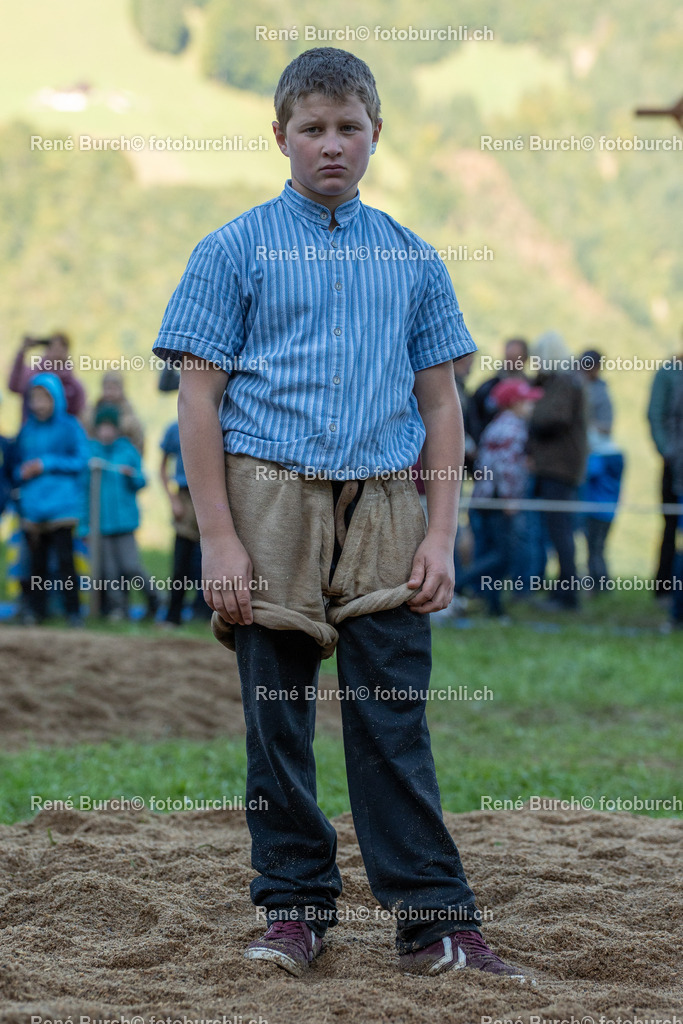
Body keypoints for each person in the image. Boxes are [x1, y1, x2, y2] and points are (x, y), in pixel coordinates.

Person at [152, 47, 528, 982]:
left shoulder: (410, 256)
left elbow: (439, 404)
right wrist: (221, 539)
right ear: (277, 135)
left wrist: (441, 534)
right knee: (276, 722)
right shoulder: (229, 250)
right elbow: (197, 400)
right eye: (311, 128)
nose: (331, 145)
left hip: (385, 510)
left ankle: (434, 921)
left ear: (375, 136)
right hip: (265, 504)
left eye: (348, 128)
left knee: (391, 718)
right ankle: (292, 909)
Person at [455, 377, 542, 616]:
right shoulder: (514, 429)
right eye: (526, 402)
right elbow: (505, 467)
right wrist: (509, 497)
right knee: (503, 556)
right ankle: (457, 584)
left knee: (493, 551)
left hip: (484, 497)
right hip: (498, 501)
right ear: (513, 403)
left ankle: (494, 608)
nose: (531, 406)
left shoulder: (495, 425)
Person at [14, 373, 88, 625]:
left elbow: (81, 460)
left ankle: (73, 612)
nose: (38, 404)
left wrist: (45, 464)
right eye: (34, 398)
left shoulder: (70, 426)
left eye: (43, 398)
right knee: (37, 565)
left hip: (62, 507)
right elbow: (17, 466)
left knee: (66, 562)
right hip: (34, 509)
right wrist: (22, 472)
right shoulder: (27, 430)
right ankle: (37, 612)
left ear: (55, 398)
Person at [527, 331, 587, 610]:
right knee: (556, 531)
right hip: (556, 467)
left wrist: (529, 411)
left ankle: (567, 594)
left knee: (561, 531)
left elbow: (555, 417)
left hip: (559, 468)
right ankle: (561, 590)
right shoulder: (563, 380)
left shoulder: (564, 382)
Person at [87, 405, 157, 621]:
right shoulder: (92, 452)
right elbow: (84, 491)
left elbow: (142, 480)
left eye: (110, 427)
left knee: (130, 566)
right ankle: (119, 609)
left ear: (116, 429)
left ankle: (154, 598)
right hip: (101, 524)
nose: (106, 432)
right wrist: (85, 525)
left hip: (125, 522)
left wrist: (131, 476)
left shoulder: (127, 451)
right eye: (102, 428)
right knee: (109, 571)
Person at [160, 420, 208, 626]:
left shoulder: (219, 422)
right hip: (185, 496)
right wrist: (173, 500)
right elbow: (162, 467)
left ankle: (208, 614)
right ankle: (173, 616)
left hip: (211, 495)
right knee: (181, 562)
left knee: (209, 561)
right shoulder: (175, 428)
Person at [647, 343, 683, 598]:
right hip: (676, 464)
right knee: (671, 525)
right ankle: (665, 588)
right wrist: (668, 451)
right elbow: (656, 414)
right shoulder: (670, 372)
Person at [580, 428, 625, 589]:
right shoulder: (617, 457)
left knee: (594, 549)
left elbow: (586, 473)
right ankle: (603, 583)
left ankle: (597, 584)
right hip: (609, 510)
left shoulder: (599, 458)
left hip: (595, 509)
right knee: (600, 548)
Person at [8, 333, 86, 420]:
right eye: (53, 347)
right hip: (33, 429)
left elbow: (79, 413)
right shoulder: (33, 377)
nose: (56, 352)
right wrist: (22, 352)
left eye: (61, 348)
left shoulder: (73, 386)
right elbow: (14, 386)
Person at [469, 337, 529, 444]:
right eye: (509, 357)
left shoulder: (531, 388)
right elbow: (474, 417)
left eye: (516, 358)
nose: (512, 362)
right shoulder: (488, 388)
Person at [84, 371, 145, 454]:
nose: (110, 393)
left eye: (114, 388)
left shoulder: (129, 415)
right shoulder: (94, 411)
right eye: (107, 388)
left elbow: (138, 443)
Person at [579, 349, 613, 434]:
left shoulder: (601, 395)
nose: (585, 371)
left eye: (589, 367)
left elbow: (606, 427)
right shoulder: (572, 384)